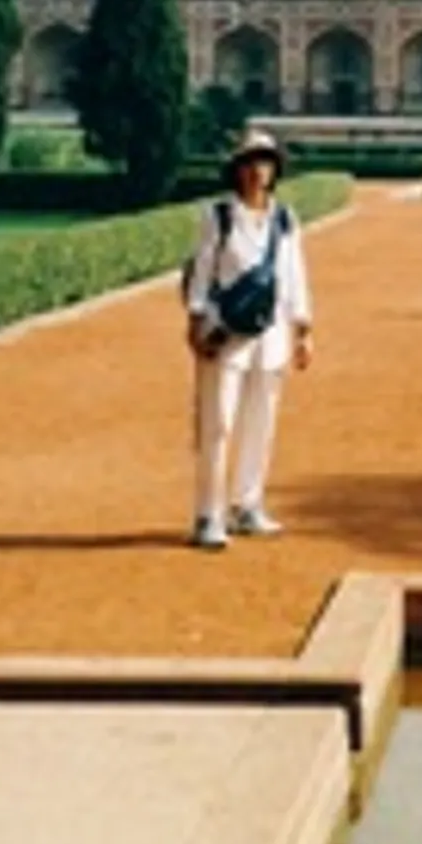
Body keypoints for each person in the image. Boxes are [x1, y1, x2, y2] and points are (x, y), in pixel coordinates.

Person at [181, 130, 315, 551]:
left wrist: (303, 329)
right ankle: (209, 513)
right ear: (238, 170)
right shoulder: (219, 216)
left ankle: (247, 504)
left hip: (270, 333)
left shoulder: (285, 219)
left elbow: (293, 275)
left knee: (261, 421)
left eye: (266, 162)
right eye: (251, 162)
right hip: (225, 332)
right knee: (218, 423)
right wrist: (195, 322)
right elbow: (202, 272)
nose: (258, 171)